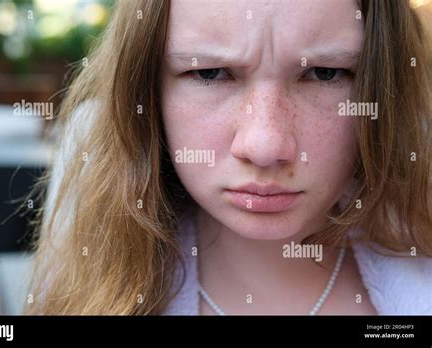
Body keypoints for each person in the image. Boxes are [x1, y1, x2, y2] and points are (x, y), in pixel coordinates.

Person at [26, 0, 432, 315]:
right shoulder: (90, 269)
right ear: (146, 92)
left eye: (325, 73)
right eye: (210, 73)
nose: (265, 146)